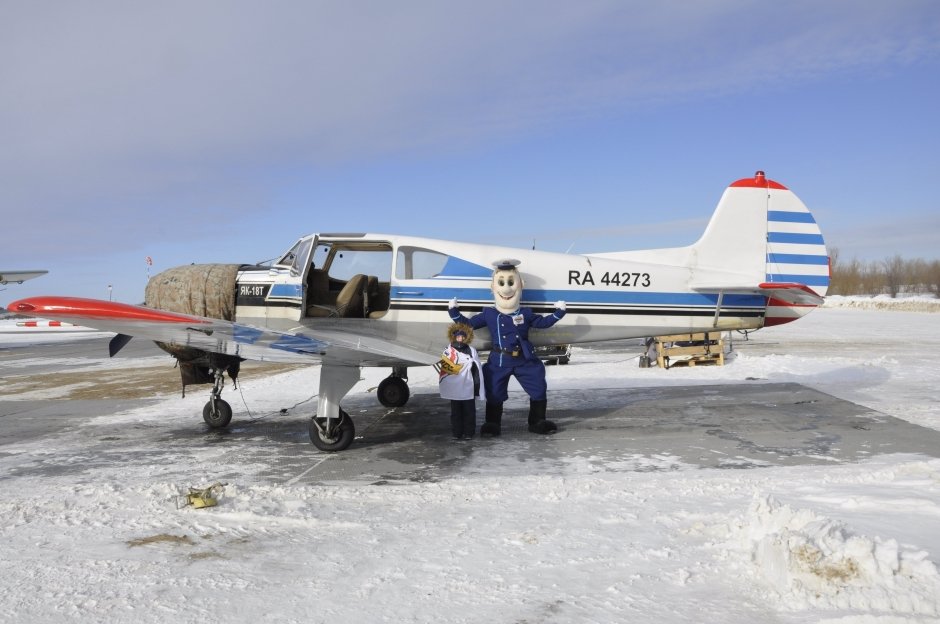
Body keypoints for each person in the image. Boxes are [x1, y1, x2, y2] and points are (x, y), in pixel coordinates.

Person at [448, 259, 566, 436]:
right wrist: (454, 313)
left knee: (538, 387)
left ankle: (537, 421)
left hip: (524, 359)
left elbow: (542, 323)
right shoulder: (489, 314)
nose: (506, 288)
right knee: (494, 391)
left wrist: (558, 314)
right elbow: (469, 325)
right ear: (493, 287)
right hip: (499, 360)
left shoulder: (525, 313)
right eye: (501, 283)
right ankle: (492, 424)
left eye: (511, 282)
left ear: (520, 285)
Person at [438, 322, 483, 439]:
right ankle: (457, 433)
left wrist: (477, 385)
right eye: (458, 336)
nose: (460, 339)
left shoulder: (471, 350)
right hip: (455, 387)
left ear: (465, 337)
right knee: (456, 412)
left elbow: (476, 367)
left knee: (469, 411)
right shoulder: (448, 350)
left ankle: (469, 433)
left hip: (468, 385)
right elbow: (446, 368)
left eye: (462, 337)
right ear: (454, 337)